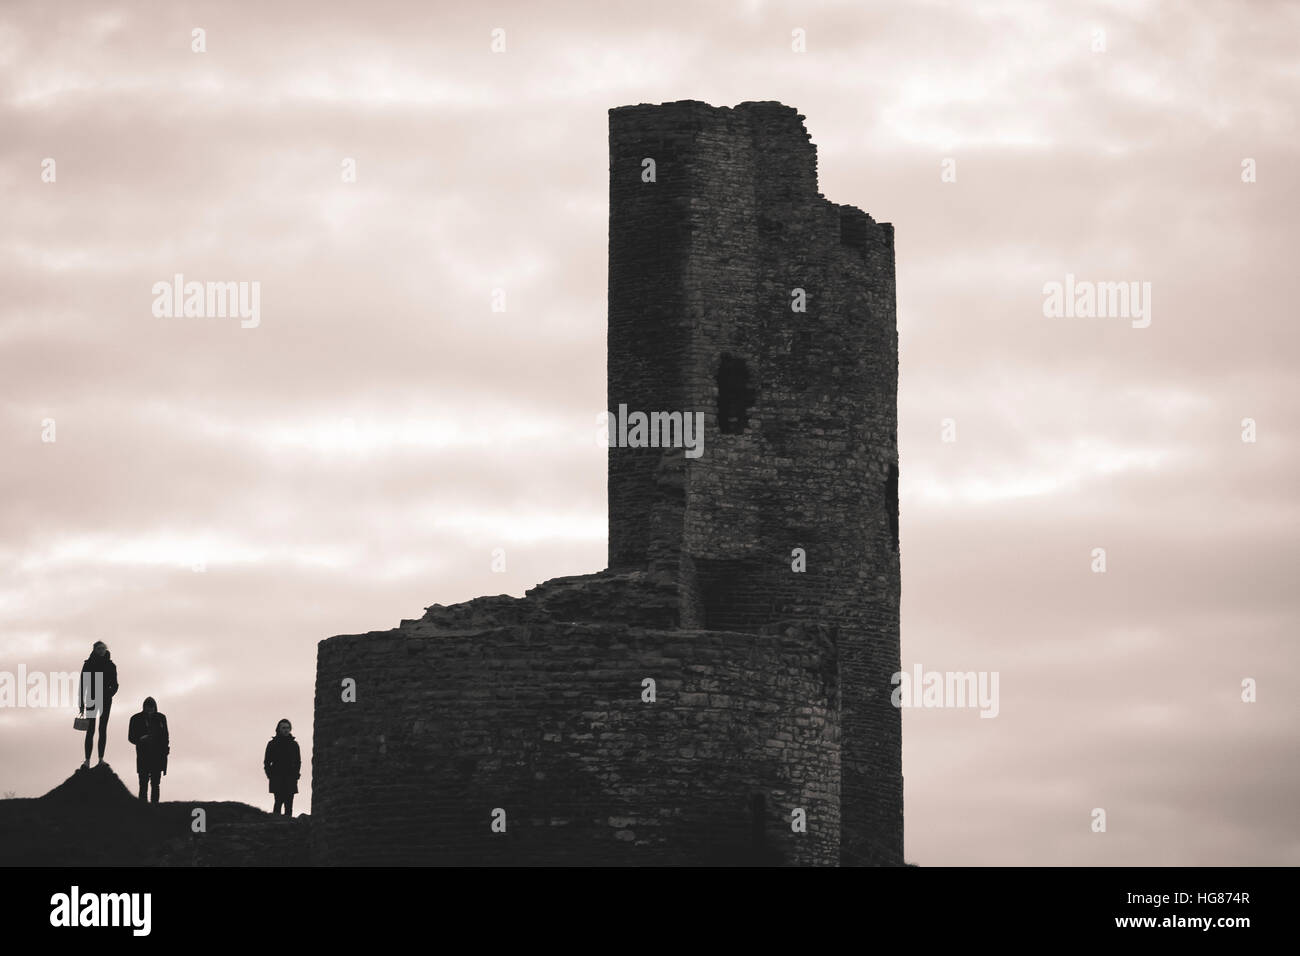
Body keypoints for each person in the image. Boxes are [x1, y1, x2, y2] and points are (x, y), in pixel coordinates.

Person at [79, 641, 118, 768]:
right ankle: (87, 760)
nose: (101, 650)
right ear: (94, 650)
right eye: (99, 648)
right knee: (90, 730)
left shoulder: (111, 665)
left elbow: (116, 684)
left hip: (106, 699)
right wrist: (81, 703)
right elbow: (82, 684)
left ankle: (101, 759)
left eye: (103, 648)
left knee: (102, 728)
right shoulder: (88, 664)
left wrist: (109, 694)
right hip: (91, 697)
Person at [127, 697, 170, 803]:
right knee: (143, 784)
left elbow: (166, 736)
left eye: (151, 707)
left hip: (157, 755)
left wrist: (165, 751)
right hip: (143, 755)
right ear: (144, 707)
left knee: (155, 784)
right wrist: (140, 739)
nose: (150, 710)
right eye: (148, 707)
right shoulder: (136, 719)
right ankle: (144, 809)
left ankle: (154, 808)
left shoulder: (161, 718)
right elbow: (131, 737)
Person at [263, 719, 301, 817]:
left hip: (290, 777)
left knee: (289, 805)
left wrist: (296, 775)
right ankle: (276, 826)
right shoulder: (272, 744)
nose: (286, 730)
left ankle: (289, 828)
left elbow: (298, 762)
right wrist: (270, 775)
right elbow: (267, 762)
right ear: (278, 729)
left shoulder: (294, 744)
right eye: (283, 728)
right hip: (277, 777)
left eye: (288, 728)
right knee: (278, 803)